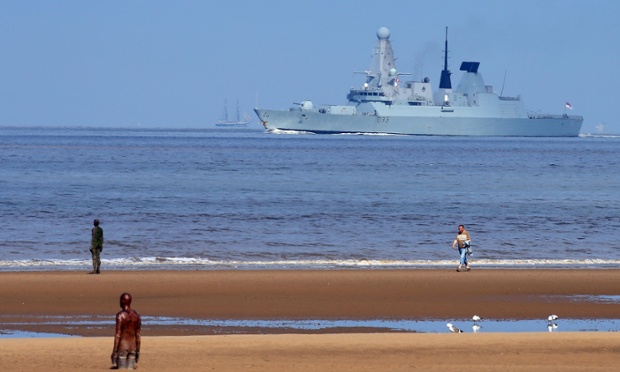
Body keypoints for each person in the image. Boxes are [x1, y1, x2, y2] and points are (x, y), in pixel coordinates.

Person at [111, 292, 142, 369]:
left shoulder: (120, 315)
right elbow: (138, 335)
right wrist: (138, 351)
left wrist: (115, 352)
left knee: (122, 368)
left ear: (122, 301)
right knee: (130, 369)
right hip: (133, 347)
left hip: (123, 347)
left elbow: (118, 335)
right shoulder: (136, 315)